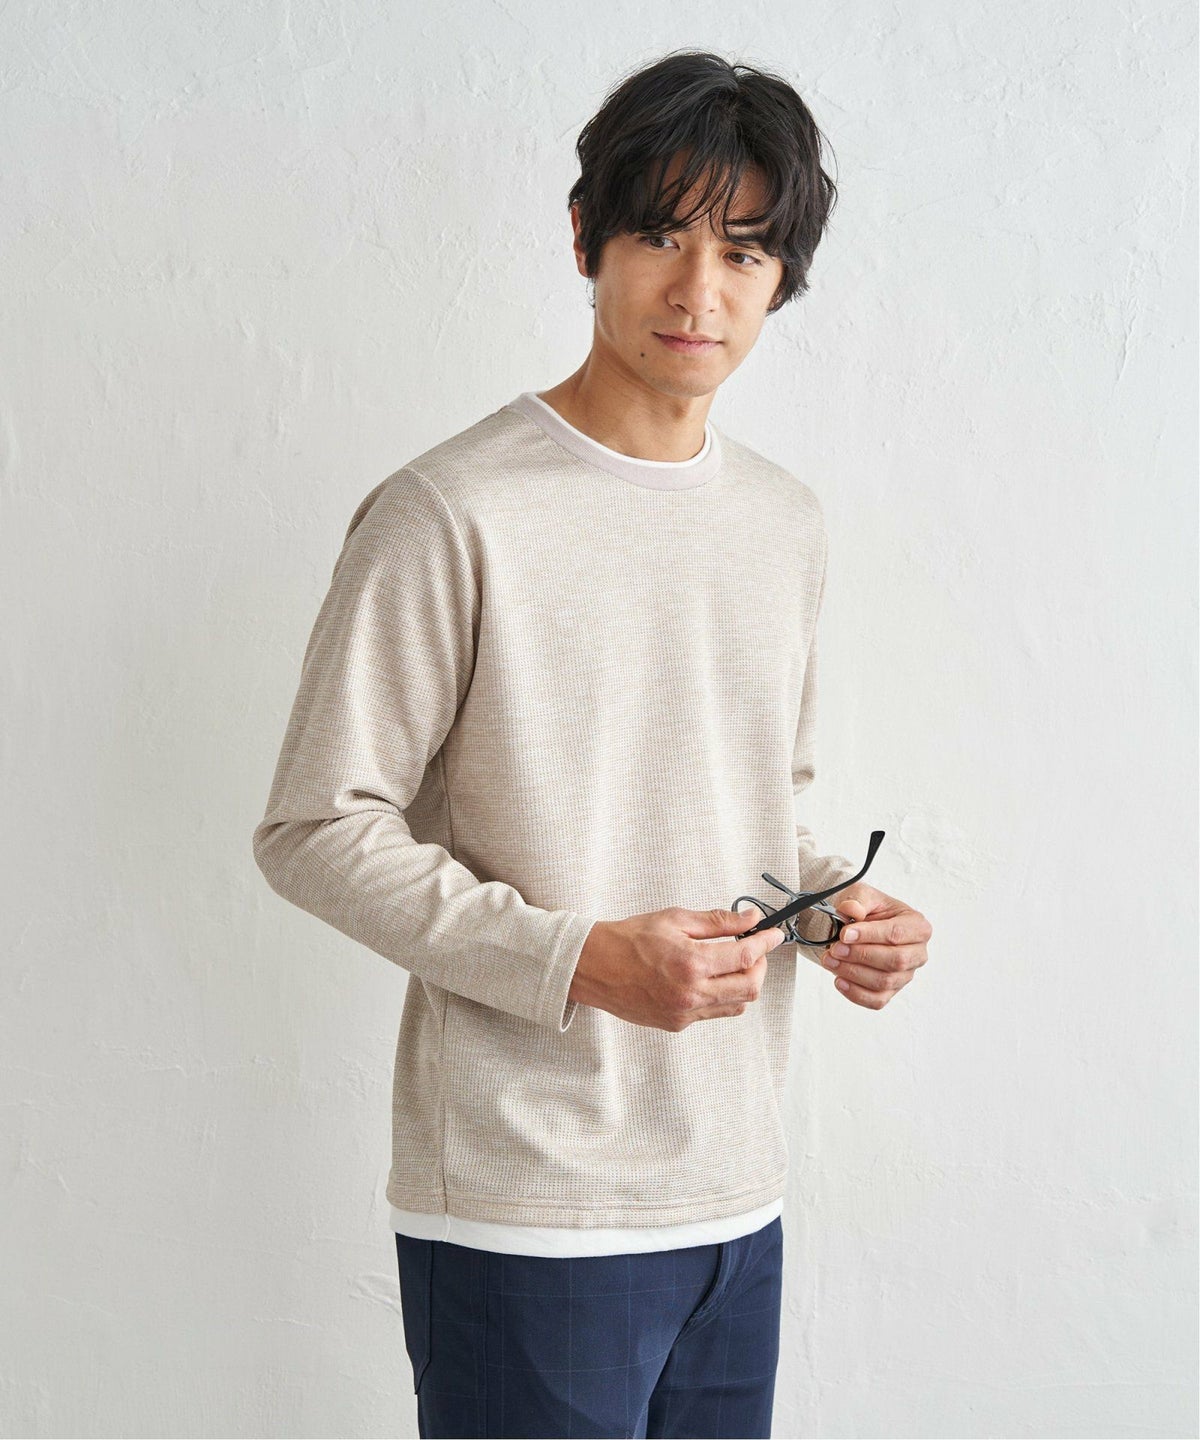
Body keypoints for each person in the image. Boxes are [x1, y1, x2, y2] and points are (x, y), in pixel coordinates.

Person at [251, 46, 931, 1440]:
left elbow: (751, 806)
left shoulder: (783, 522)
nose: (699, 291)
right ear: (585, 238)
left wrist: (831, 914)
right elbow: (315, 828)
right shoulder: (451, 511)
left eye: (744, 251)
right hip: (529, 1203)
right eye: (662, 236)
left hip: (735, 1192)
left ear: (782, 280)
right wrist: (581, 960)